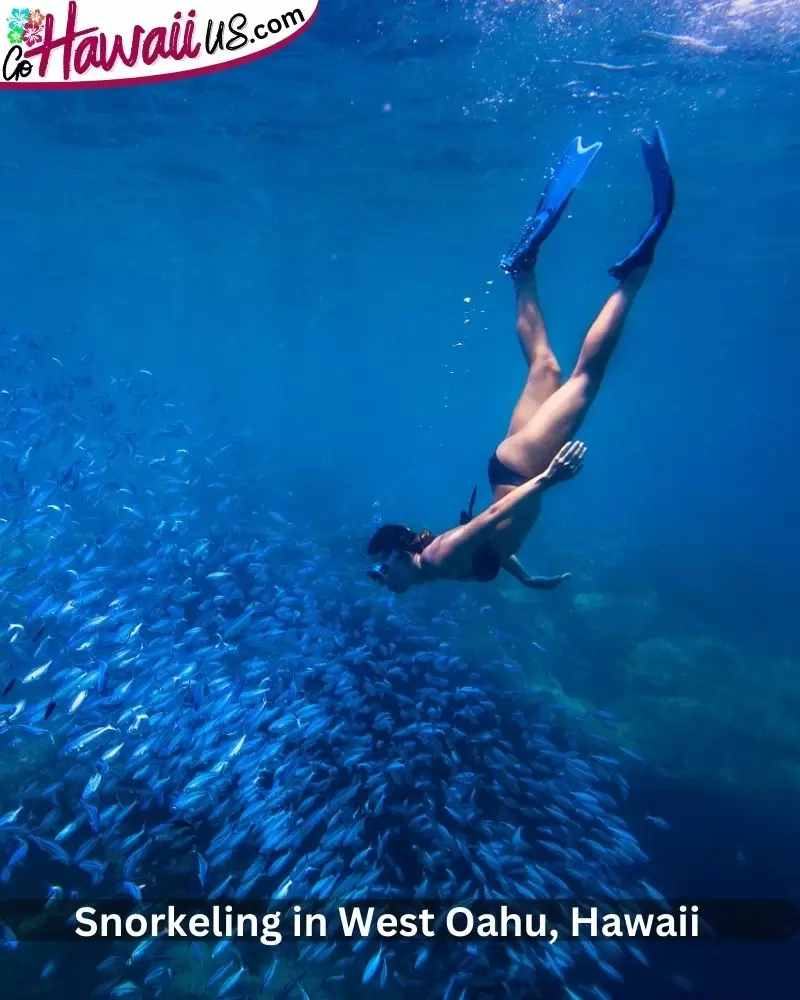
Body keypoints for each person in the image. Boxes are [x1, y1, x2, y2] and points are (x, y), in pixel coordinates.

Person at [367, 128, 675, 595]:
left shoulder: (437, 558)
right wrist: (525, 576)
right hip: (510, 467)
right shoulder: (438, 563)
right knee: (545, 369)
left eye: (381, 572)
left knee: (586, 377)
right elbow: (489, 541)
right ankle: (521, 269)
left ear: (398, 558)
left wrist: (550, 478)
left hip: (526, 470)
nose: (383, 582)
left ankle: (636, 273)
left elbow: (493, 517)